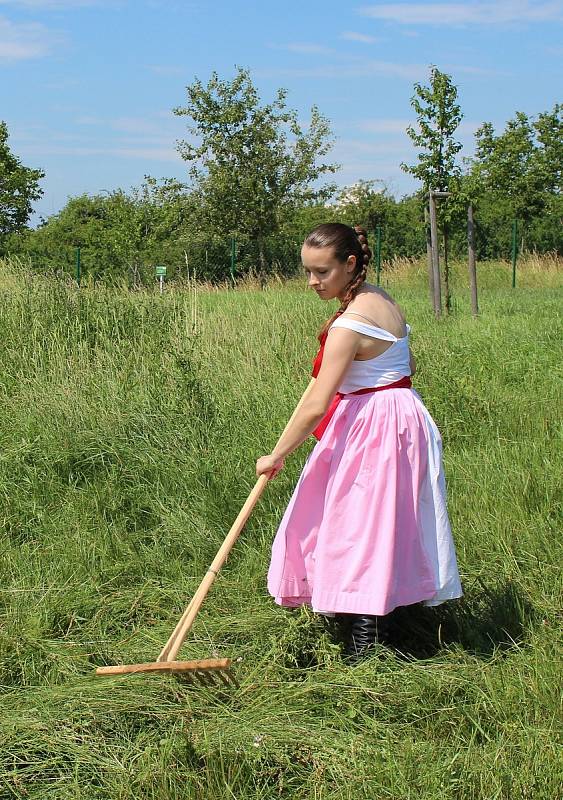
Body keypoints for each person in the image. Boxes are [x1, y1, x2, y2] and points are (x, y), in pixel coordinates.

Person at [256, 223, 462, 658]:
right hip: (402, 416)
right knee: (387, 520)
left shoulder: (349, 324)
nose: (312, 282)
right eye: (307, 272)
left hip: (374, 427)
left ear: (350, 264)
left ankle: (364, 643)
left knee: (358, 527)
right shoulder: (378, 296)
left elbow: (316, 402)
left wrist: (276, 454)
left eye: (322, 272)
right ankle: (387, 613)